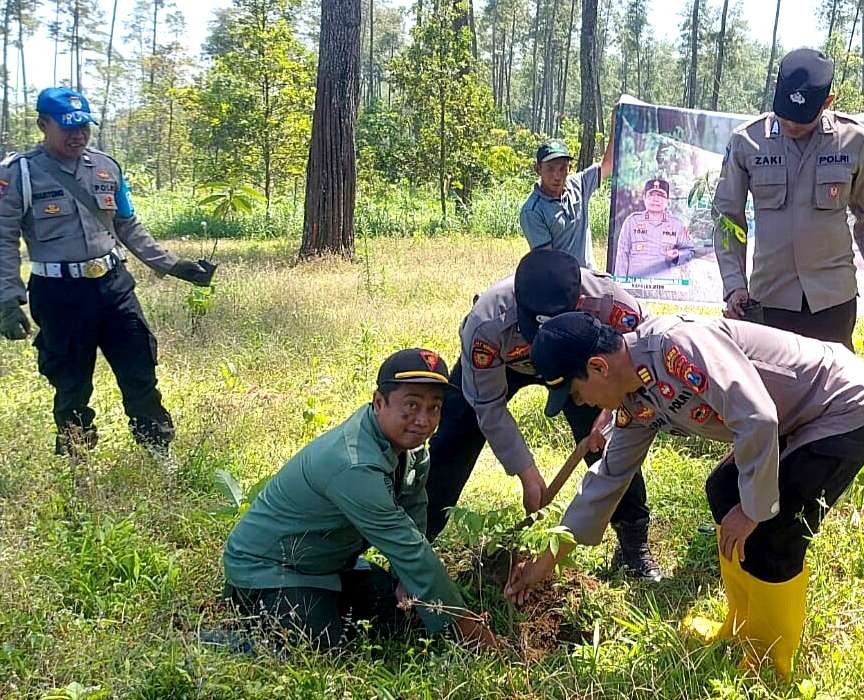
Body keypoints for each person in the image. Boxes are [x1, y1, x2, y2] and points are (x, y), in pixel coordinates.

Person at [505, 311, 864, 678]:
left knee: (773, 528)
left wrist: (754, 510)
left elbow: (756, 417)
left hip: (842, 406)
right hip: (792, 418)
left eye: (576, 392)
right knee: (724, 491)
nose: (582, 404)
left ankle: (771, 662)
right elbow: (607, 481)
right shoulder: (635, 399)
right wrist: (545, 564)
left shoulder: (677, 348)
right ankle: (740, 627)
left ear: (598, 367)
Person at [223, 348, 499, 651]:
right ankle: (215, 641)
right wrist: (462, 625)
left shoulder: (411, 448)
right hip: (270, 570)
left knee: (398, 618)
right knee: (318, 646)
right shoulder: (354, 464)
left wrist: (405, 578)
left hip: (330, 563)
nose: (423, 420)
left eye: (434, 408)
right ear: (379, 402)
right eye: (411, 405)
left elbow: (415, 509)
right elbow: (407, 546)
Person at [0, 87, 215, 457]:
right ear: (42, 124)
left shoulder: (106, 167)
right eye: (67, 127)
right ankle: (77, 464)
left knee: (140, 371)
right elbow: (3, 239)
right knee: (71, 382)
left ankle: (158, 451)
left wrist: (173, 264)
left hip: (114, 286)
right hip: (59, 294)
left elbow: (128, 225)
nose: (77, 134)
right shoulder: (18, 174)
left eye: (83, 125)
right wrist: (7, 299)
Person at [426, 249, 663, 580]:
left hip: (578, 366)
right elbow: (488, 405)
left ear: (580, 301)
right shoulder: (486, 324)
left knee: (612, 443)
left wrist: (610, 410)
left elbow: (634, 362)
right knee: (454, 433)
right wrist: (526, 472)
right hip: (507, 364)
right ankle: (417, 544)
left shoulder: (611, 304)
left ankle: (632, 543)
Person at [711, 48, 864, 350]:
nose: (792, 125)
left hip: (832, 301)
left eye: (803, 118)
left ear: (827, 102)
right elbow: (727, 221)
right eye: (785, 115)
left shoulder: (853, 140)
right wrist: (734, 286)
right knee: (772, 392)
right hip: (770, 300)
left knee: (834, 392)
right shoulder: (747, 141)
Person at [518, 127, 614, 269]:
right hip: (560, 283)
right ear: (538, 169)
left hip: (589, 278)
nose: (557, 176)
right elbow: (548, 262)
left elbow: (608, 164)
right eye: (550, 169)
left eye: (562, 168)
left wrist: (616, 123)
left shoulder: (579, 185)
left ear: (570, 168)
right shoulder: (532, 211)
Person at [614, 178, 695, 279]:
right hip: (635, 287)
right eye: (651, 194)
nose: (655, 199)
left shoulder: (677, 225)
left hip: (665, 288)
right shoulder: (631, 222)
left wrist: (677, 255)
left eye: (661, 195)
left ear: (667, 201)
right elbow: (622, 255)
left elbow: (690, 251)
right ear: (644, 198)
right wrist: (619, 284)